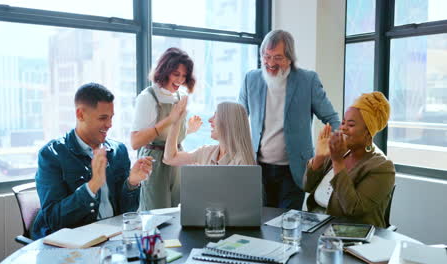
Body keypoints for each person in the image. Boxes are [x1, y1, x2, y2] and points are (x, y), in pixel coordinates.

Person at [31, 83, 153, 239]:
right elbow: (54, 220)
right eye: (103, 118)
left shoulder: (118, 151)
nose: (109, 125)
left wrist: (132, 184)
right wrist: (92, 186)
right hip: (74, 242)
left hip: (113, 238)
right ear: (80, 114)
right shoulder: (51, 155)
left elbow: (125, 212)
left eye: (111, 117)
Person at [238, 29, 340, 210]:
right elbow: (238, 118)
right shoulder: (251, 78)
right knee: (260, 223)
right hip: (258, 168)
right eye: (266, 56)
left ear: (289, 58)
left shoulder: (307, 80)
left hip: (293, 171)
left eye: (277, 58)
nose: (270, 63)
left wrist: (341, 149)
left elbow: (331, 118)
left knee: (287, 225)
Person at [303, 92, 395, 227]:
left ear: (368, 131)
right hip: (316, 225)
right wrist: (319, 158)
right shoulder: (340, 151)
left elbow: (354, 208)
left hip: (351, 234)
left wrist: (337, 162)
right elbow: (307, 186)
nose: (343, 128)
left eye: (351, 125)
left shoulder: (382, 167)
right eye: (343, 122)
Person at [131, 47, 201, 210]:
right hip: (154, 161)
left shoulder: (180, 96)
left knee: (178, 213)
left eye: (184, 76)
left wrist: (187, 129)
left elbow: (172, 134)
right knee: (156, 214)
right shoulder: (148, 97)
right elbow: (135, 142)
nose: (180, 80)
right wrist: (171, 119)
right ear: (164, 71)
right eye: (176, 74)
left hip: (176, 158)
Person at [163, 101, 255, 166]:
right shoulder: (206, 152)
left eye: (216, 115)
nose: (209, 120)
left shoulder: (243, 161)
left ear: (228, 122)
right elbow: (170, 158)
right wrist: (176, 121)